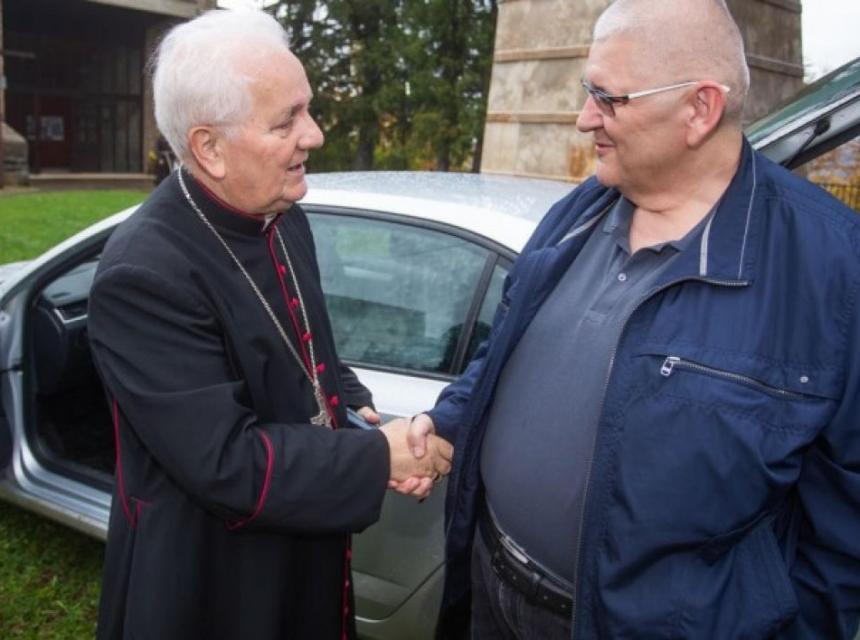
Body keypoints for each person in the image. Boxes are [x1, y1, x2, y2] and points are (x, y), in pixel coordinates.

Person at [400, 0, 860, 637]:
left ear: (699, 108)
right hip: (492, 590)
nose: (584, 117)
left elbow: (844, 530)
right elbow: (505, 346)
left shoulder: (832, 270)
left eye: (608, 98)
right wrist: (449, 421)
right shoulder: (580, 211)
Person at [87, 8, 451, 640]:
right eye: (287, 121)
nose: (314, 135)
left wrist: (354, 404)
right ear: (209, 147)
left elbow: (298, 343)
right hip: (213, 575)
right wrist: (374, 460)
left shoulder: (282, 215)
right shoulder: (143, 275)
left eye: (307, 109)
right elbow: (224, 462)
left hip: (303, 527)